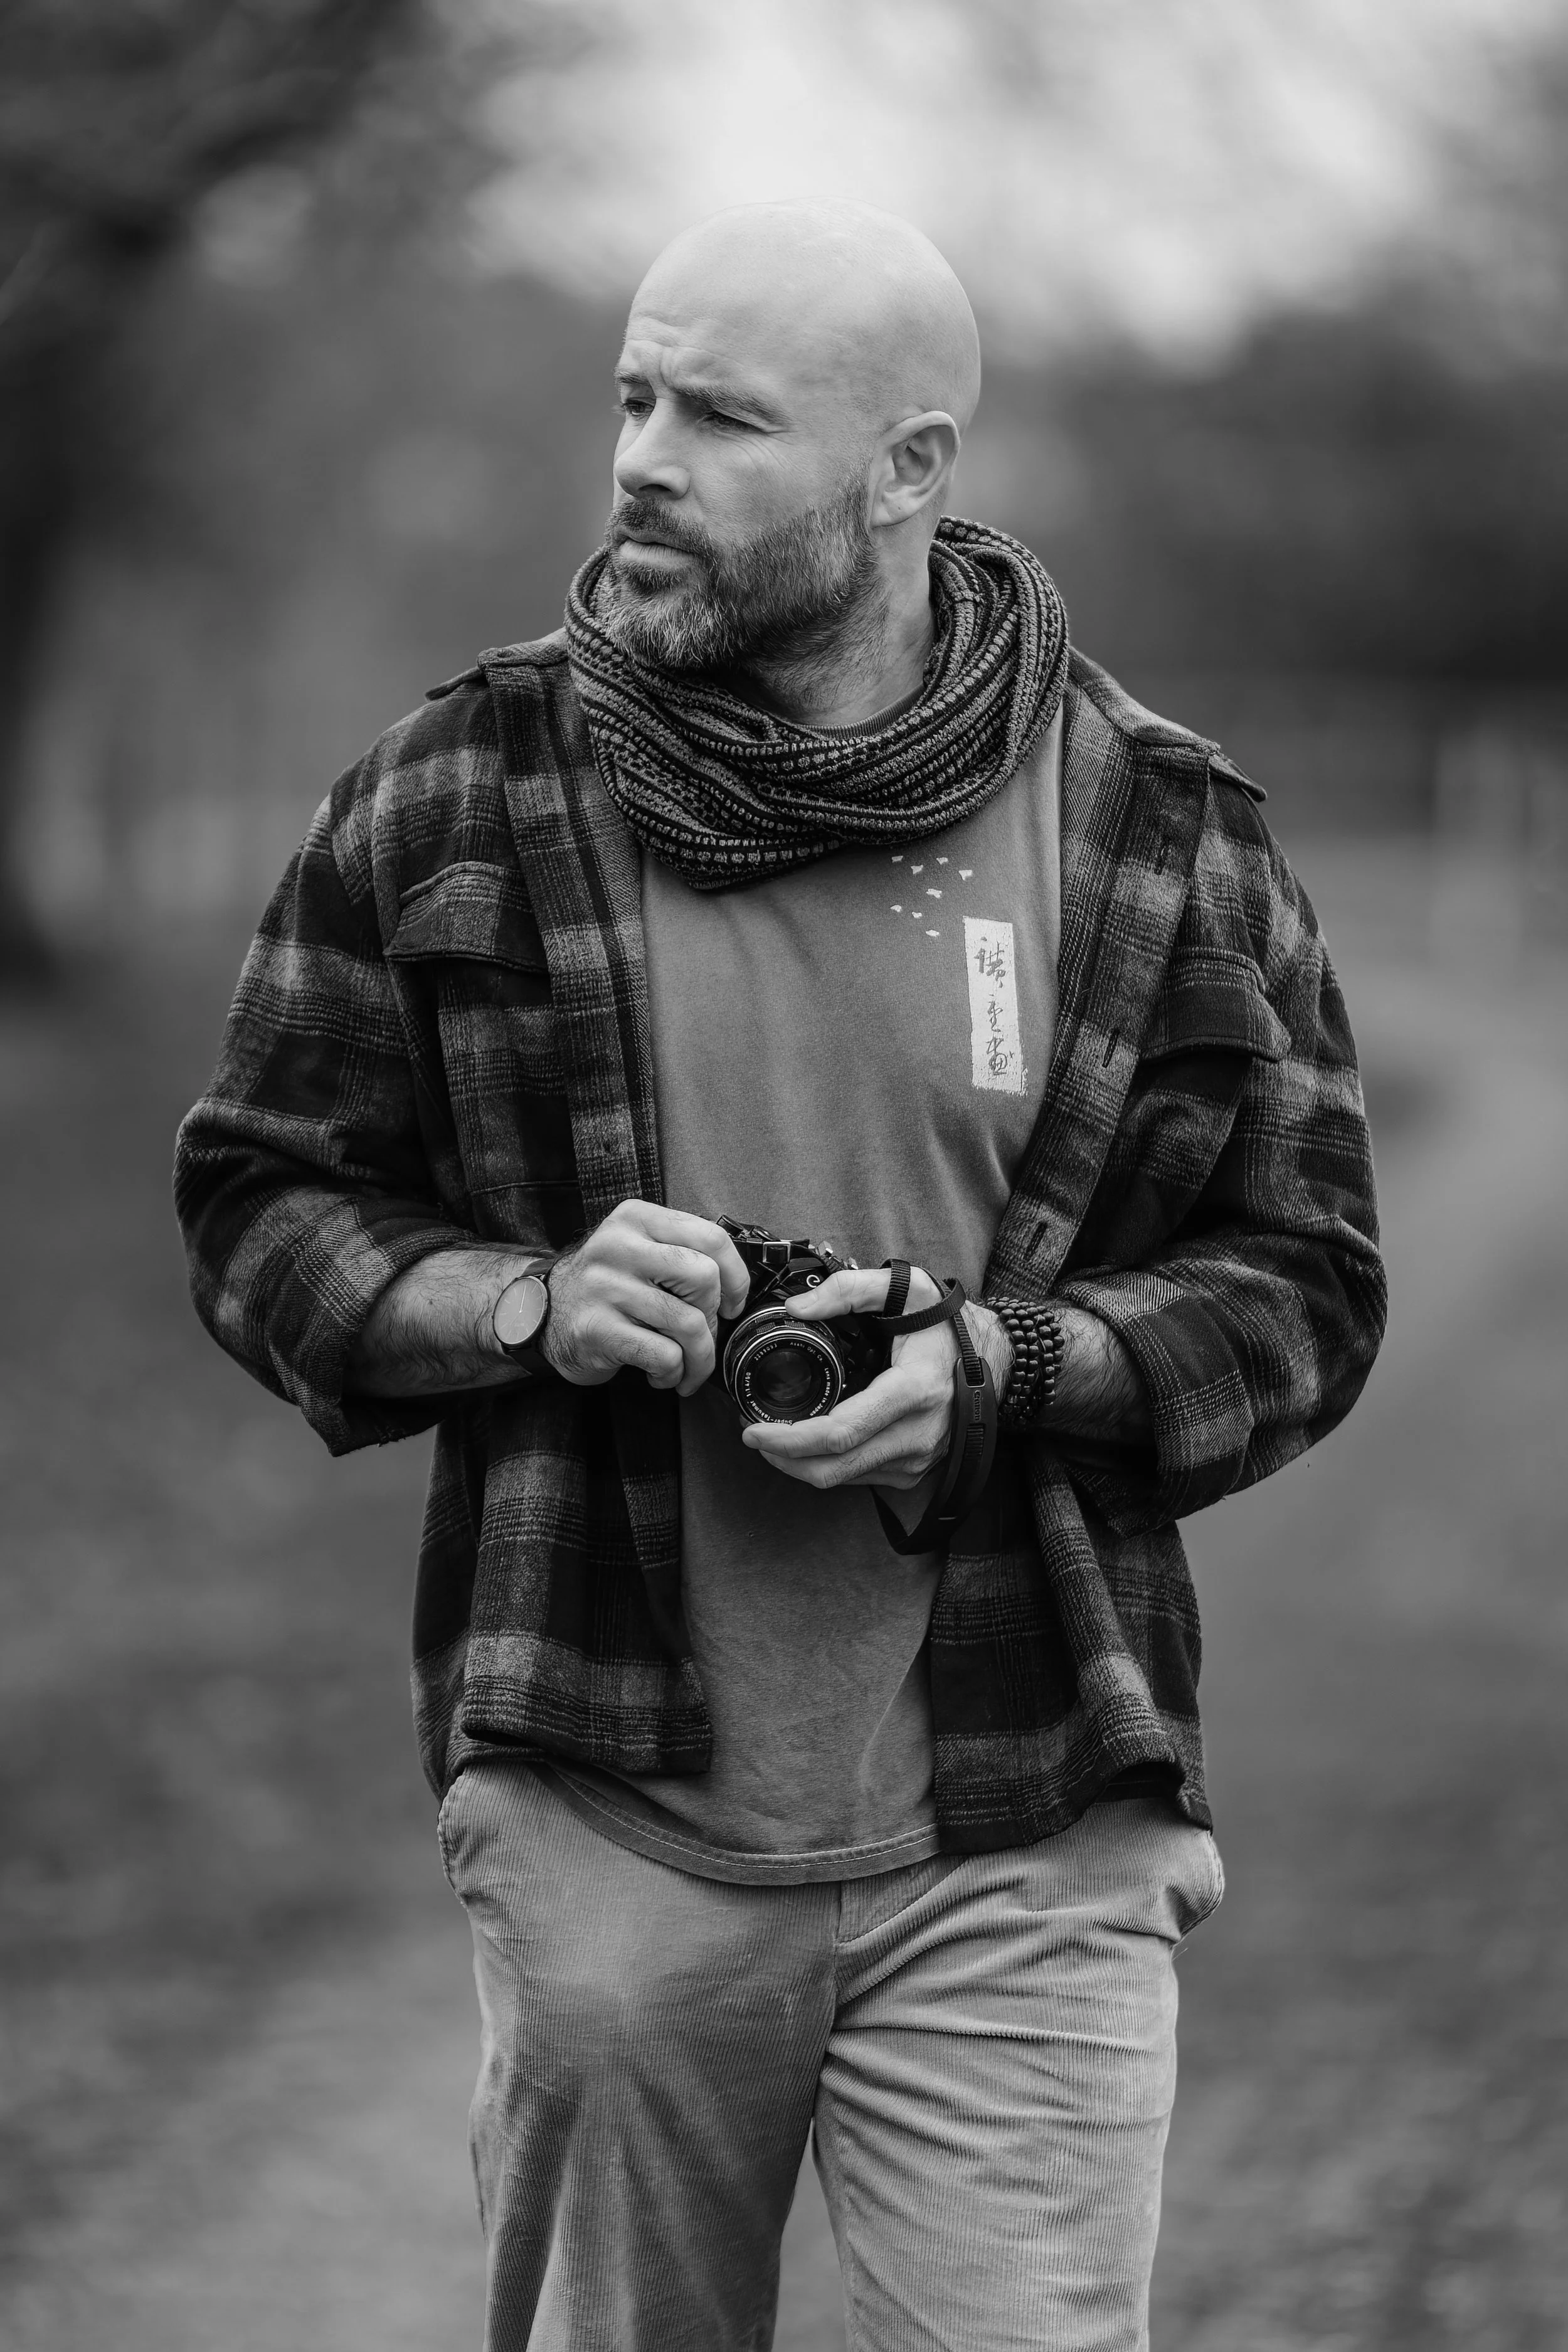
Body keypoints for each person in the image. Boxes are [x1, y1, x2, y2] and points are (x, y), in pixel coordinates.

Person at [175, 199, 1386, 2352]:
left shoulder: (1153, 827)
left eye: (723, 420)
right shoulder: (456, 787)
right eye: (634, 395)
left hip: (1029, 1800)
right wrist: (527, 1304)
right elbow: (261, 1203)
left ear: (905, 470)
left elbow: (1304, 1283)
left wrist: (1010, 1366)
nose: (642, 459)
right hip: (610, 1803)